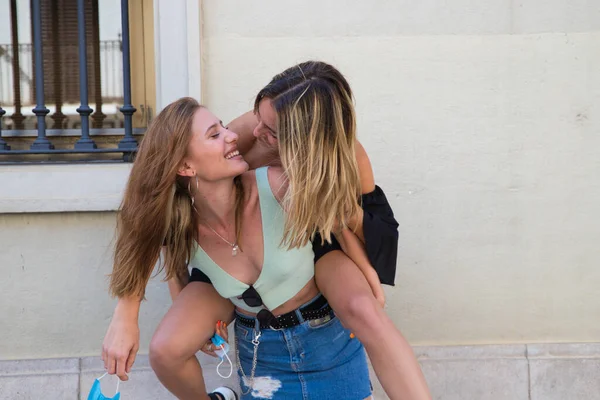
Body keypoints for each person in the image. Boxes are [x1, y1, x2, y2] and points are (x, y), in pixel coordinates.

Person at [104, 97, 372, 399]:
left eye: (223, 127)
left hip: (328, 345)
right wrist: (125, 316)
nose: (232, 135)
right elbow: (143, 232)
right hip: (262, 357)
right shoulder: (181, 217)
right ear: (185, 166)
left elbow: (343, 211)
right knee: (164, 350)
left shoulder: (272, 172)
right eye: (214, 134)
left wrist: (370, 277)